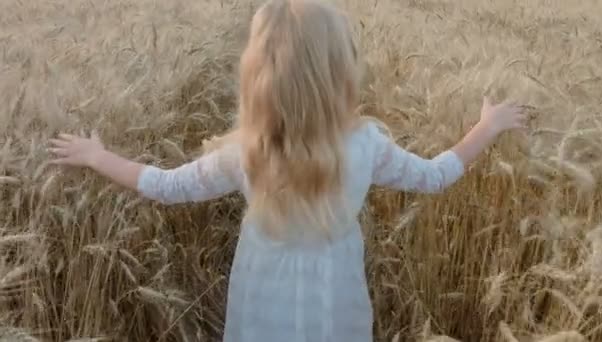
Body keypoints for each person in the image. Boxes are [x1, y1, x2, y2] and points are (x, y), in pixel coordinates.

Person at [47, 0, 526, 341]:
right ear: (341, 73)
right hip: (335, 301)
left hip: (261, 302)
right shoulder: (365, 145)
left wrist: (97, 156)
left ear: (257, 80)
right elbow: (436, 175)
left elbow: (167, 185)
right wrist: (487, 126)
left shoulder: (245, 152)